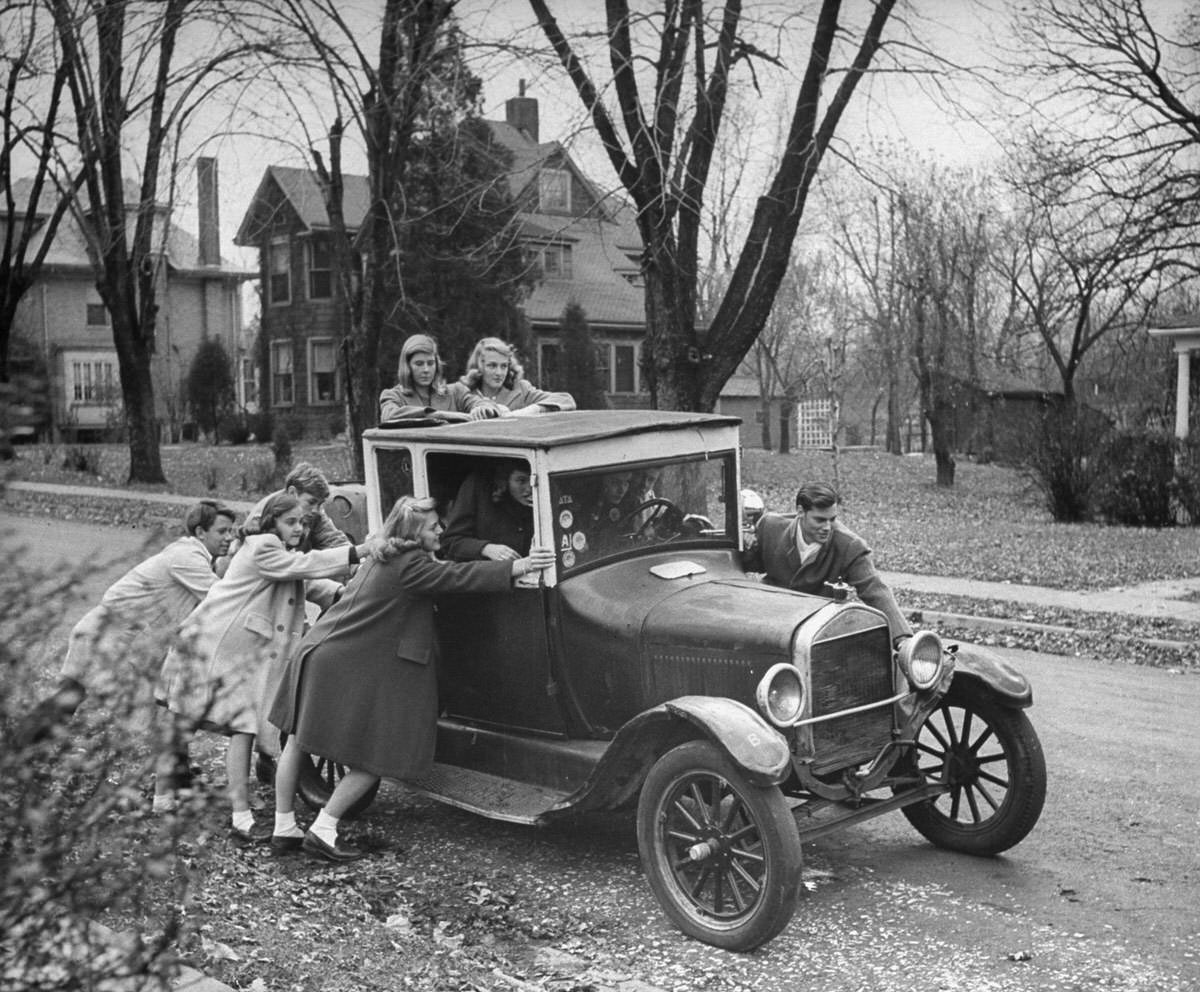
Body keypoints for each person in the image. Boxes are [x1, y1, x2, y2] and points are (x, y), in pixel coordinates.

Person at [267, 495, 556, 862]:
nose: (441, 530)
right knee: (382, 753)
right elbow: (455, 576)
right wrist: (519, 568)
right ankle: (324, 829)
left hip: (322, 651)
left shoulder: (383, 553)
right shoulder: (410, 564)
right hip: (346, 661)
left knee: (297, 742)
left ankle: (283, 827)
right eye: (434, 526)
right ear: (415, 532)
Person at [159, 493, 370, 843]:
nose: (299, 528)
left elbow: (307, 581)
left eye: (302, 523)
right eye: (291, 522)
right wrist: (359, 551)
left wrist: (347, 593)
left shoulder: (279, 555)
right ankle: (212, 810)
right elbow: (305, 566)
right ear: (272, 522)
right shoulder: (263, 547)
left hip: (232, 647)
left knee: (229, 726)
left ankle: (228, 813)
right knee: (211, 722)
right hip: (214, 643)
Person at [17, 499, 237, 750]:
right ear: (200, 532)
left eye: (231, 531)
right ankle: (19, 752)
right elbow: (220, 597)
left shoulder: (192, 555)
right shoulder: (186, 557)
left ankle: (20, 753)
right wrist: (237, 562)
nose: (229, 537)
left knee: (70, 701)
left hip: (105, 633)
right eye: (222, 531)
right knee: (121, 715)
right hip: (107, 637)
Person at [742, 482, 913, 646]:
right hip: (769, 626)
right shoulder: (771, 527)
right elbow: (749, 562)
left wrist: (902, 639)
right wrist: (736, 540)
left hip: (816, 634)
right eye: (820, 520)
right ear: (800, 512)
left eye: (832, 519)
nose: (827, 527)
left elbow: (875, 590)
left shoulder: (849, 546)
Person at [440, 459, 534, 562]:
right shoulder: (479, 488)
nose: (530, 489)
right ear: (504, 480)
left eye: (533, 480)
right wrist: (485, 548)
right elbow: (451, 542)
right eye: (521, 481)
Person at [459, 337, 575, 420]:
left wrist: (527, 411)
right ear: (479, 367)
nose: (499, 373)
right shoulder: (463, 394)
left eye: (504, 366)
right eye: (492, 366)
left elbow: (566, 400)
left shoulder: (521, 390)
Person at [378, 333, 472, 423]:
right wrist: (435, 415)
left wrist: (480, 409)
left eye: (430, 363)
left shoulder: (456, 392)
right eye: (419, 364)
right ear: (407, 366)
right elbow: (389, 417)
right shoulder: (393, 396)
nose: (426, 370)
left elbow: (482, 405)